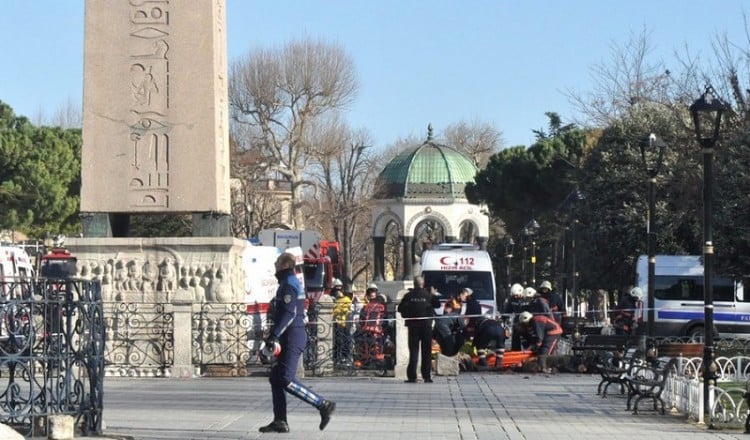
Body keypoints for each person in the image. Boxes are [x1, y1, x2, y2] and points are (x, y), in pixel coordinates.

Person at [259, 252, 335, 433]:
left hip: (292, 336)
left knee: (285, 378)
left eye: (277, 262)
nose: (275, 266)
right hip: (291, 335)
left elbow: (289, 313)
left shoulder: (288, 285)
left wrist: (274, 335)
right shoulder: (291, 282)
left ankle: (322, 404)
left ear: (284, 265)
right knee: (276, 378)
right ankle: (280, 421)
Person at [397, 275, 440, 383]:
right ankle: (426, 376)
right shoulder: (428, 295)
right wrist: (434, 294)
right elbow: (438, 305)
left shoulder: (408, 295)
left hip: (413, 326)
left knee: (414, 351)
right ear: (423, 284)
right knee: (426, 352)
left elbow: (400, 309)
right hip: (426, 326)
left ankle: (412, 376)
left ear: (414, 284)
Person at [358, 284, 386, 366]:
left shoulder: (369, 306)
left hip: (373, 331)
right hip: (373, 331)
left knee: (373, 347)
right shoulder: (380, 305)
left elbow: (362, 318)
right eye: (371, 292)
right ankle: (374, 362)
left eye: (372, 292)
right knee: (372, 347)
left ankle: (373, 362)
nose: (371, 294)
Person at [332, 285, 353, 366]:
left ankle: (345, 357)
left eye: (339, 291)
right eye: (336, 291)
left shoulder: (346, 299)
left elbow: (346, 309)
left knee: (345, 341)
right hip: (337, 324)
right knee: (338, 341)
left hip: (345, 324)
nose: (338, 293)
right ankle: (337, 357)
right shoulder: (336, 301)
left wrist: (337, 310)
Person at [503, 283, 526, 350]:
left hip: (527, 321)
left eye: (516, 295)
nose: (515, 297)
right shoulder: (511, 299)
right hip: (517, 320)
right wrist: (504, 318)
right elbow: (508, 310)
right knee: (516, 337)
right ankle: (515, 350)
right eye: (514, 295)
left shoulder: (527, 298)